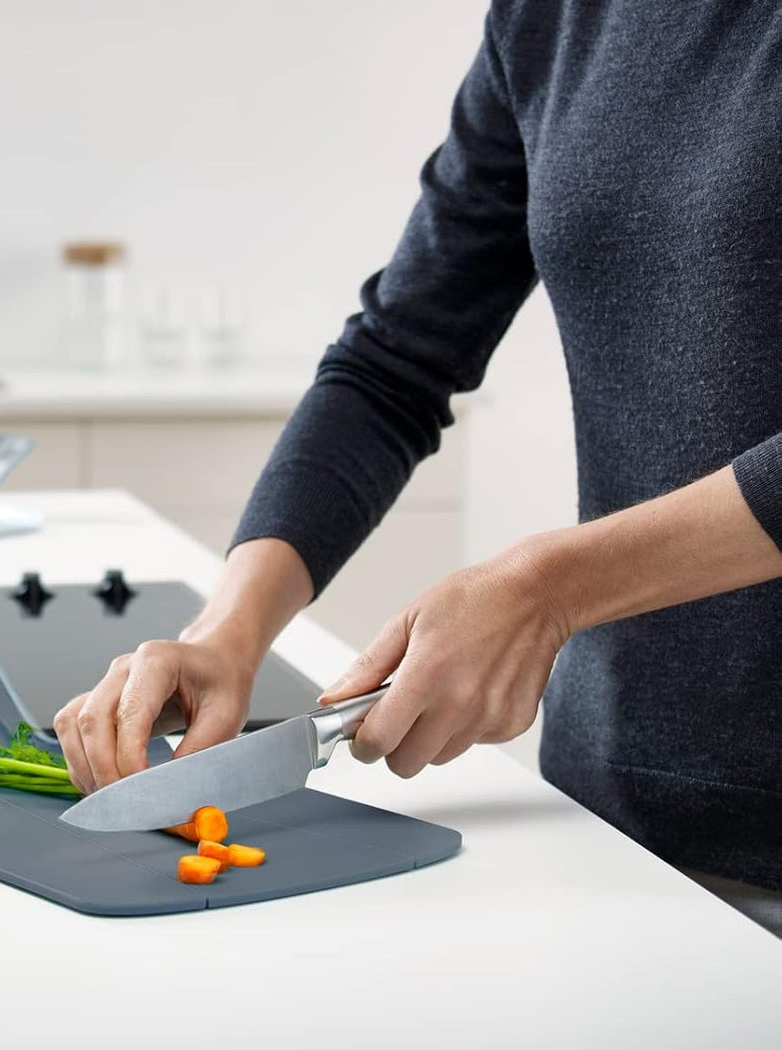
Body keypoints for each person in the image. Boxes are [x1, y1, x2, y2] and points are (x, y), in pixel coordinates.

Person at [53, 0, 782, 937]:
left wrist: (547, 588)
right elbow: (396, 361)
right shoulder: (552, 19)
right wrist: (231, 630)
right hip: (616, 822)